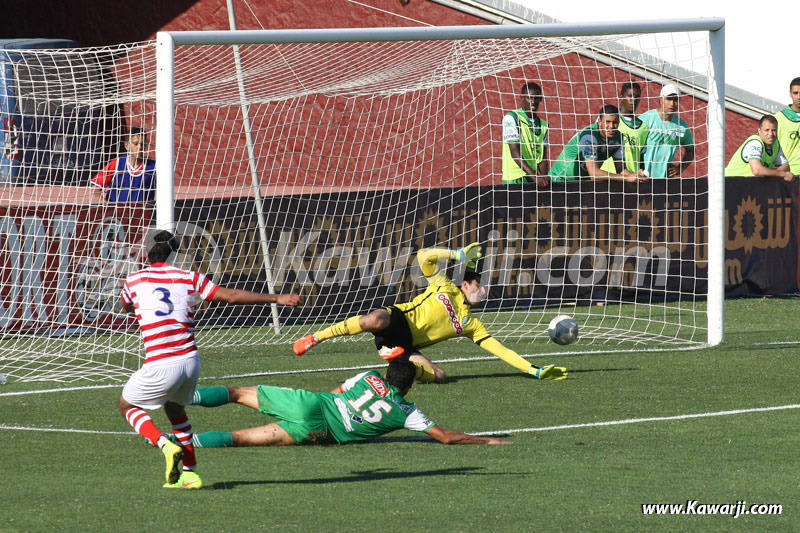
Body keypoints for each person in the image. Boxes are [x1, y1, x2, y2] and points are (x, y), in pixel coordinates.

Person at [118, 230, 302, 489]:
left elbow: (125, 306)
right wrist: (276, 298)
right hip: (190, 361)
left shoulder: (135, 279)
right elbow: (232, 297)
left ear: (146, 253)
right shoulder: (189, 277)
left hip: (162, 361)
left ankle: (164, 445)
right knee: (175, 410)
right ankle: (190, 473)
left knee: (126, 405)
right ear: (175, 253)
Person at [292, 243, 567, 383]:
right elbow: (424, 256)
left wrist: (535, 370)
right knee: (374, 319)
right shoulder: (444, 286)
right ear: (466, 284)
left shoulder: (472, 325)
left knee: (439, 375)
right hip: (397, 319)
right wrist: (457, 255)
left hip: (405, 345)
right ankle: (316, 337)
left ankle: (398, 364)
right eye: (480, 287)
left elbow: (501, 351)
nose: (483, 292)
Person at [183, 349, 512, 448]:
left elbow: (336, 393)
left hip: (311, 405)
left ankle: (182, 397)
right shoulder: (407, 411)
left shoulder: (368, 377)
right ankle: (172, 442)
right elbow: (446, 438)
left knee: (236, 393)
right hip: (317, 434)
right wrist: (487, 440)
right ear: (409, 387)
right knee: (239, 439)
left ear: (386, 375)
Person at [549, 104, 649, 182]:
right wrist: (627, 178)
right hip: (559, 181)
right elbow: (594, 174)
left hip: (581, 184)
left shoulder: (619, 138)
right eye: (608, 122)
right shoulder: (589, 135)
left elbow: (621, 170)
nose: (611, 126)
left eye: (615, 122)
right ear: (600, 122)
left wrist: (636, 176)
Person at [638, 83, 695, 178]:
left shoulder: (682, 127)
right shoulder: (645, 119)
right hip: (643, 178)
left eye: (676, 100)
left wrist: (680, 168)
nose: (672, 104)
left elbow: (691, 150)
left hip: (666, 182)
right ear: (661, 100)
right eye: (669, 99)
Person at [502, 81, 550, 186]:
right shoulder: (511, 118)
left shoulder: (543, 125)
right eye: (529, 97)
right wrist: (536, 177)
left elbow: (542, 157)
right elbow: (515, 153)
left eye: (536, 98)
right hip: (514, 178)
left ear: (541, 99)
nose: (533, 102)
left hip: (531, 178)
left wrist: (544, 176)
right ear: (522, 98)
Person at [91, 126, 156, 202]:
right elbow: (96, 188)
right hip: (118, 212)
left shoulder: (153, 166)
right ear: (127, 146)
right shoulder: (118, 164)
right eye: (136, 144)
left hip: (142, 211)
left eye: (143, 144)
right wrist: (107, 206)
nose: (140, 147)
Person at [600, 82, 650, 174]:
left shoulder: (644, 128)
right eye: (630, 96)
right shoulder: (608, 119)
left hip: (631, 178)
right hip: (609, 175)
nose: (633, 100)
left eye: (637, 97)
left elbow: (641, 157)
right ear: (621, 97)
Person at [724, 115, 792, 180]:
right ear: (759, 131)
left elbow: (786, 167)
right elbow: (757, 170)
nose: (770, 134)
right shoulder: (755, 143)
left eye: (773, 130)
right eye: (767, 130)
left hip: (749, 185)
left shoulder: (776, 143)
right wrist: (780, 173)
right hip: (730, 183)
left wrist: (771, 172)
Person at [773, 77, 800, 175]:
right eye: (795, 93)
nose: (798, 97)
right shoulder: (779, 118)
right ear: (790, 94)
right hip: (790, 176)